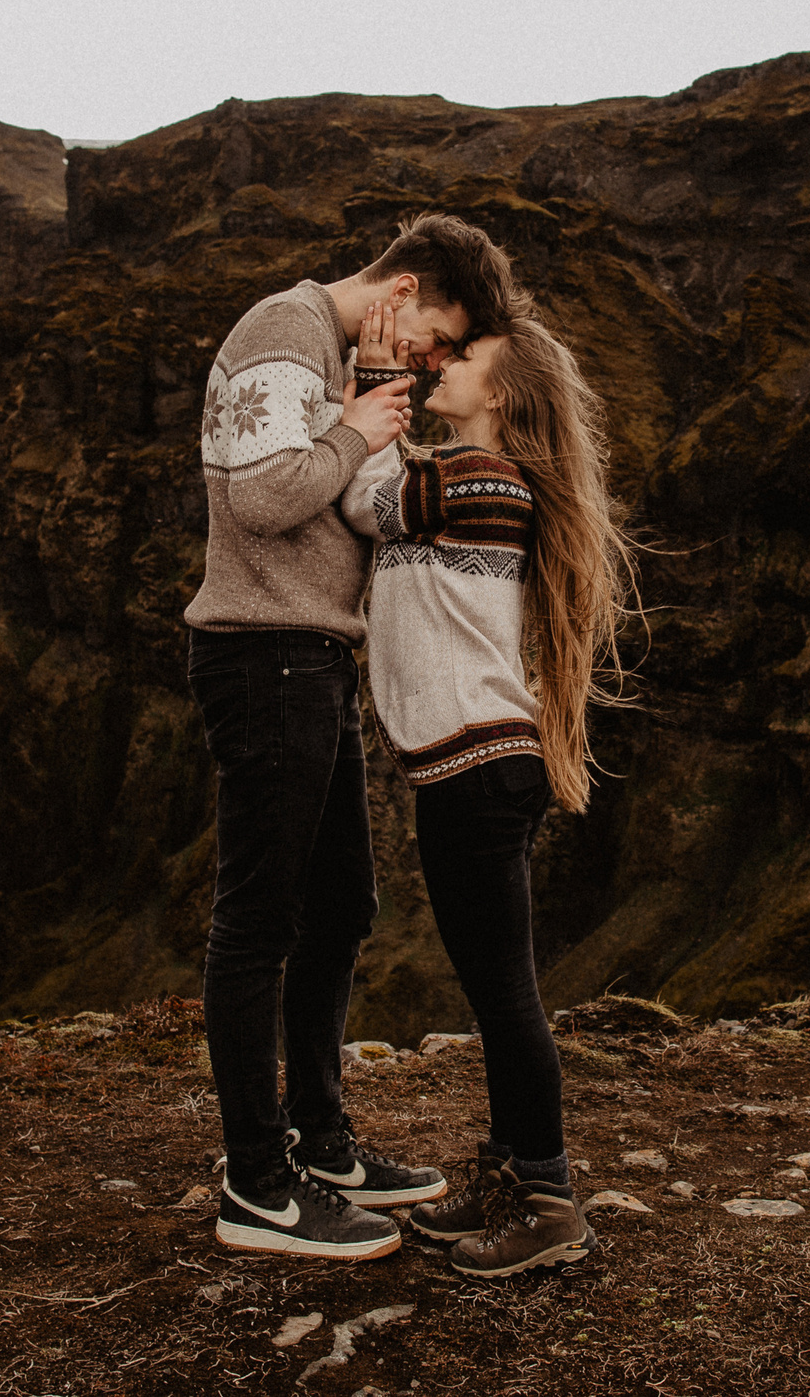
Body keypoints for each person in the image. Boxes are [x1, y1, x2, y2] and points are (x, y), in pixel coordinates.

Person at [188, 213, 525, 1261]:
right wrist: (357, 428)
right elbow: (261, 502)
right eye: (436, 336)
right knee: (261, 920)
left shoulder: (331, 354)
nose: (431, 362)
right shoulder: (284, 332)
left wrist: (362, 411)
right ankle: (258, 1187)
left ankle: (321, 1141)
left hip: (310, 657)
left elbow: (352, 491)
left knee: (340, 906)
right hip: (265, 651)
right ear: (404, 285)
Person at [341, 304, 635, 1277]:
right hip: (474, 766)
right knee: (492, 988)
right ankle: (513, 1174)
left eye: (463, 357)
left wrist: (375, 378)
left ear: (500, 393)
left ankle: (549, 1203)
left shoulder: (479, 476)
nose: (446, 364)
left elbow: (364, 505)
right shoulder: (476, 477)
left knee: (505, 996)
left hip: (476, 769)